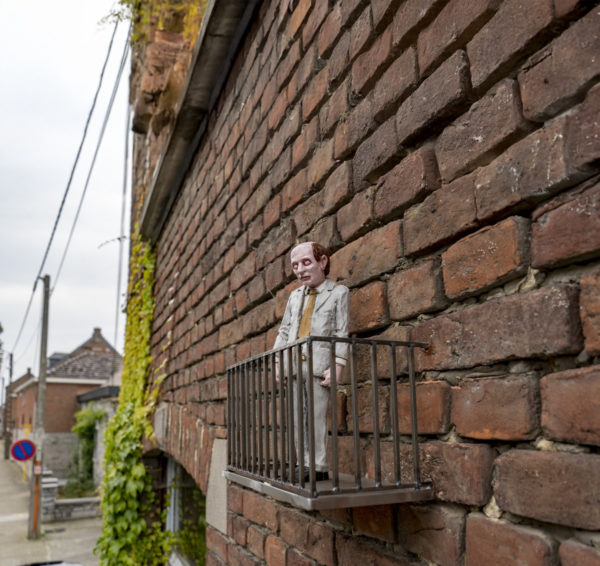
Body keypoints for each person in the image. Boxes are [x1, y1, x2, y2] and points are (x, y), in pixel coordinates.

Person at [273, 242, 349, 481]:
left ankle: (318, 466)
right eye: (295, 266)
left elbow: (341, 332)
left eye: (306, 262)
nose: (300, 270)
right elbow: (285, 331)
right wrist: (278, 362)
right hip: (294, 364)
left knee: (316, 417)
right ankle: (303, 463)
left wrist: (337, 366)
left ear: (322, 262)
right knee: (297, 417)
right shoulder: (295, 297)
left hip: (318, 366)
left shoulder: (338, 293)